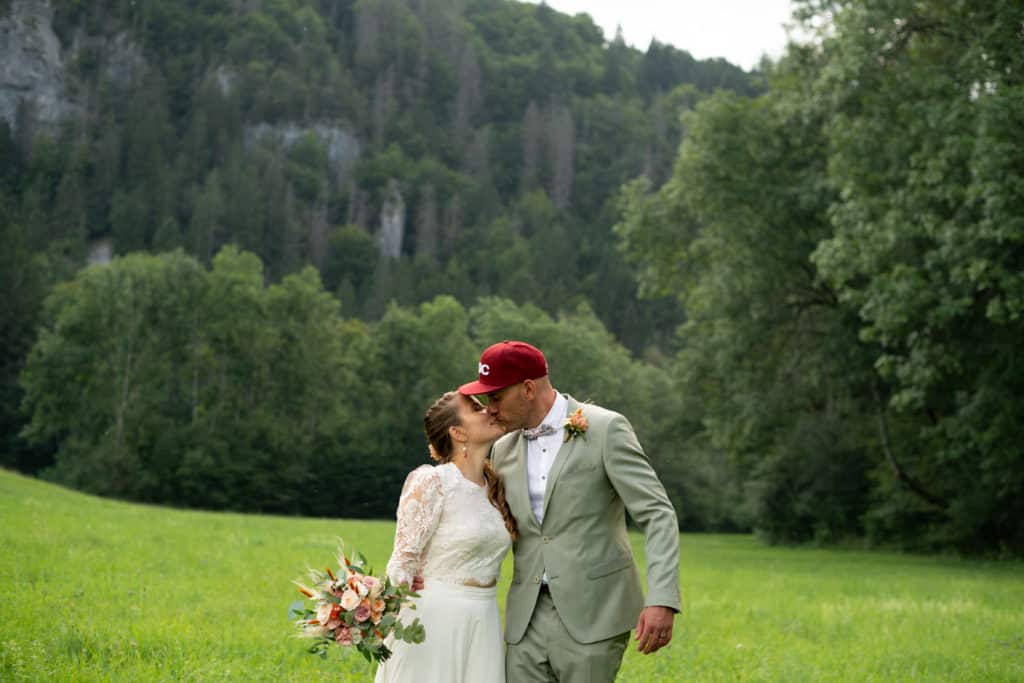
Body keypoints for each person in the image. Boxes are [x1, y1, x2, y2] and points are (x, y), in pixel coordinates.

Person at [458, 340, 680, 683]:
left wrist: (662, 598)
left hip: (596, 613)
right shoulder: (502, 450)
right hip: (525, 619)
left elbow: (657, 513)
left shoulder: (607, 429)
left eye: (496, 396)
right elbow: (483, 523)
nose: (489, 408)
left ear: (528, 388)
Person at [374, 391, 515, 683]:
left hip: (484, 618)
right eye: (475, 408)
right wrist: (382, 614)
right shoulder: (433, 482)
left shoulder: (496, 484)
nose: (488, 410)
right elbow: (402, 560)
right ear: (458, 432)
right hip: (432, 619)